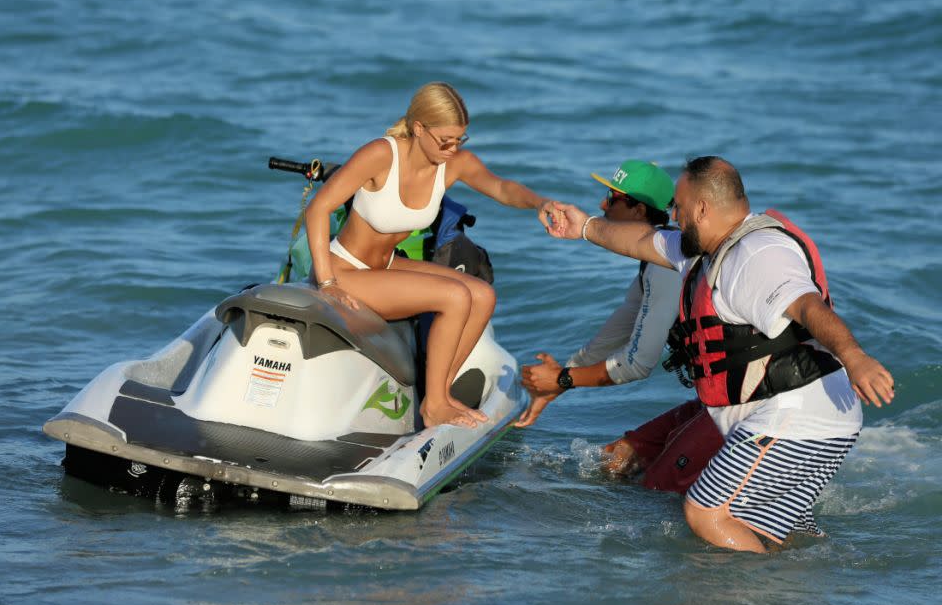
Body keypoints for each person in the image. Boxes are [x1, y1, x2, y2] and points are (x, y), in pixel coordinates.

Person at [541, 156, 894, 552]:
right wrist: (584, 227)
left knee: (704, 513)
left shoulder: (756, 254)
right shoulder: (706, 248)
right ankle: (788, 589)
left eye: (678, 206)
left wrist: (856, 357)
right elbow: (638, 240)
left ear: (702, 209)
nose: (673, 214)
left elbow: (809, 307)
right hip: (799, 416)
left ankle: (764, 597)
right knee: (768, 531)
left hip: (795, 415)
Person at [306, 82, 551, 429]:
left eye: (460, 140)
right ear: (419, 128)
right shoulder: (381, 154)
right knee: (454, 296)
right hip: (344, 269)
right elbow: (319, 208)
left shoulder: (452, 163)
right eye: (445, 140)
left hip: (385, 266)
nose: (453, 149)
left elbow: (501, 187)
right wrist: (327, 282)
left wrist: (540, 203)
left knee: (482, 295)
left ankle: (440, 393)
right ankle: (434, 405)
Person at [516, 160, 724, 494]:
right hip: (712, 403)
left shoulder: (667, 268)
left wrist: (563, 378)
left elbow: (637, 364)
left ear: (638, 209)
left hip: (738, 409)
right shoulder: (652, 265)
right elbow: (613, 337)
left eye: (611, 198)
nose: (601, 205)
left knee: (655, 489)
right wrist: (555, 386)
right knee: (614, 461)